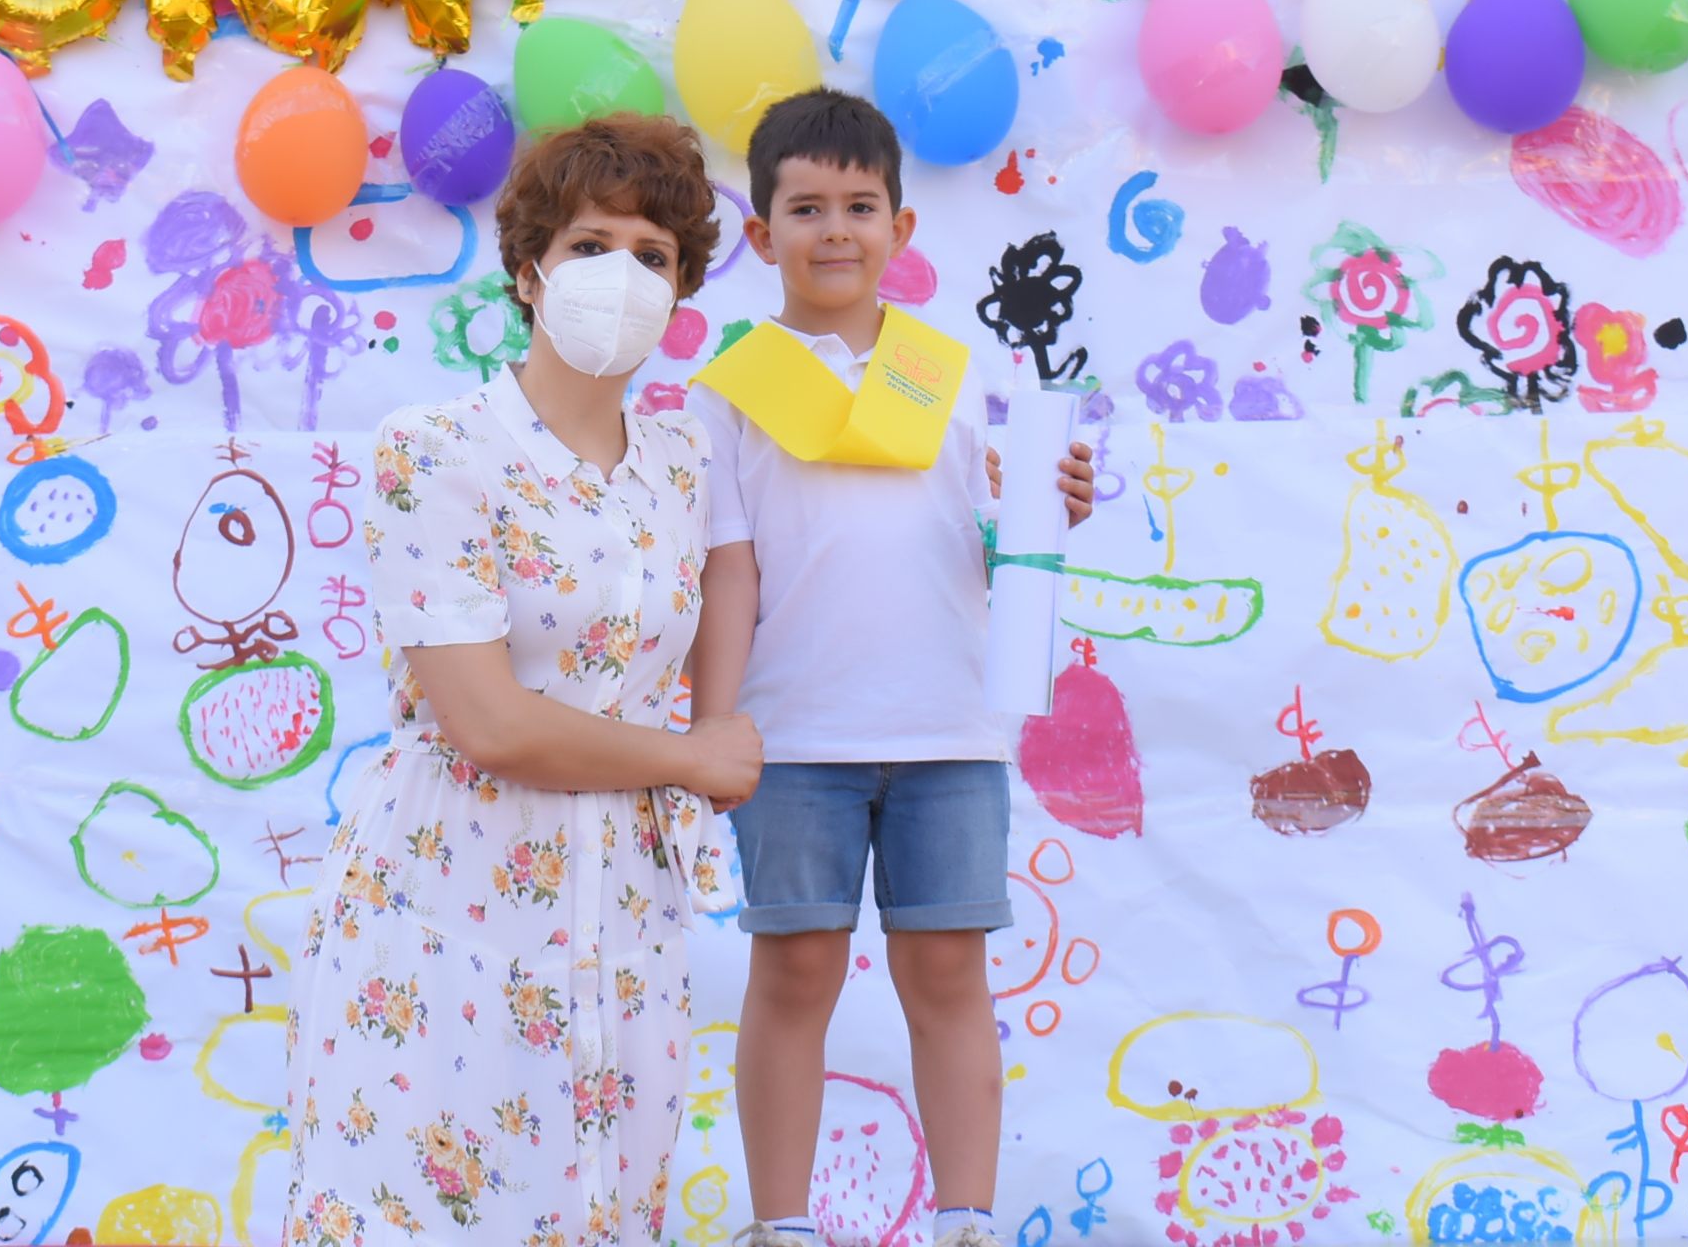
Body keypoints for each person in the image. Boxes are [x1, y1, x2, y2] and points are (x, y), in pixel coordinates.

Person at [285, 113, 763, 1247]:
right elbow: (487, 720)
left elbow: (835, 542)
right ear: (526, 269)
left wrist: (1024, 505)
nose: (622, 276)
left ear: (684, 285)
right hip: (452, 904)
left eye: (652, 255)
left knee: (598, 1207)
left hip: (627, 925)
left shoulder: (688, 461)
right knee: (422, 1205)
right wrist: (694, 754)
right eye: (592, 243)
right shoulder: (434, 447)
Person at [686, 89, 1095, 1247]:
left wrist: (1049, 506)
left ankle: (966, 1217)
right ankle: (783, 1222)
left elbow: (992, 538)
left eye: (860, 205)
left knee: (947, 972)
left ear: (901, 231)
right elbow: (727, 573)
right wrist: (716, 728)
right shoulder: (726, 394)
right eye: (804, 207)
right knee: (797, 968)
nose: (834, 229)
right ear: (759, 234)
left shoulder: (955, 376)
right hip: (794, 735)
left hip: (947, 732)